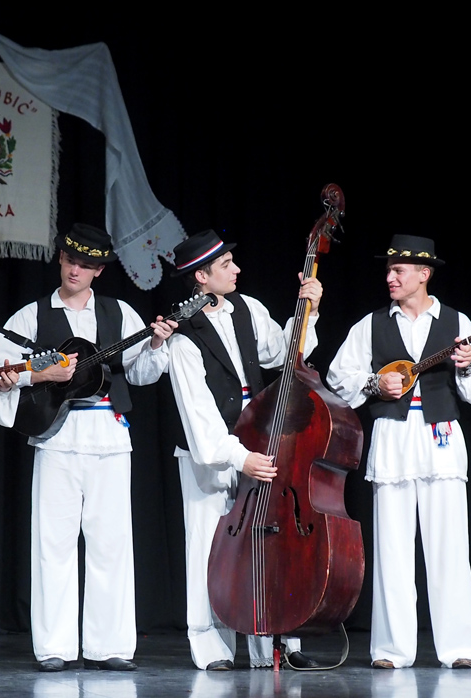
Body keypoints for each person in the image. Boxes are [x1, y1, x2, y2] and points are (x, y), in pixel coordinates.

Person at [0, 222, 175, 672]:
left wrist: (156, 344)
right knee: (54, 543)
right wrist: (25, 378)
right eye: (70, 261)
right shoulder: (30, 316)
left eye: (86, 265)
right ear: (60, 259)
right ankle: (55, 647)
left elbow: (142, 374)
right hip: (57, 439)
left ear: (99, 271)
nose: (75, 270)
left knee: (111, 543)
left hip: (109, 435)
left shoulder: (120, 312)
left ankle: (110, 646)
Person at [326, 234, 471, 669]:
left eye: (399, 270)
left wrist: (468, 366)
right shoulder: (371, 324)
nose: (390, 277)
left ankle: (459, 648)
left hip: (440, 437)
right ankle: (391, 650)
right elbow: (338, 377)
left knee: (449, 548)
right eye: (388, 270)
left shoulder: (457, 322)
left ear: (424, 273)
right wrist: (374, 383)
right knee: (392, 550)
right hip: (394, 438)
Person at [165, 229, 322, 671]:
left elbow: (286, 354)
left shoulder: (247, 308)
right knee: (210, 544)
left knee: (270, 538)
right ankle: (212, 646)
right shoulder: (183, 338)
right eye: (225, 265)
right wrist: (240, 457)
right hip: (211, 454)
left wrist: (308, 310)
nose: (236, 269)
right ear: (201, 276)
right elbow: (199, 417)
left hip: (258, 435)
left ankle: (276, 642)